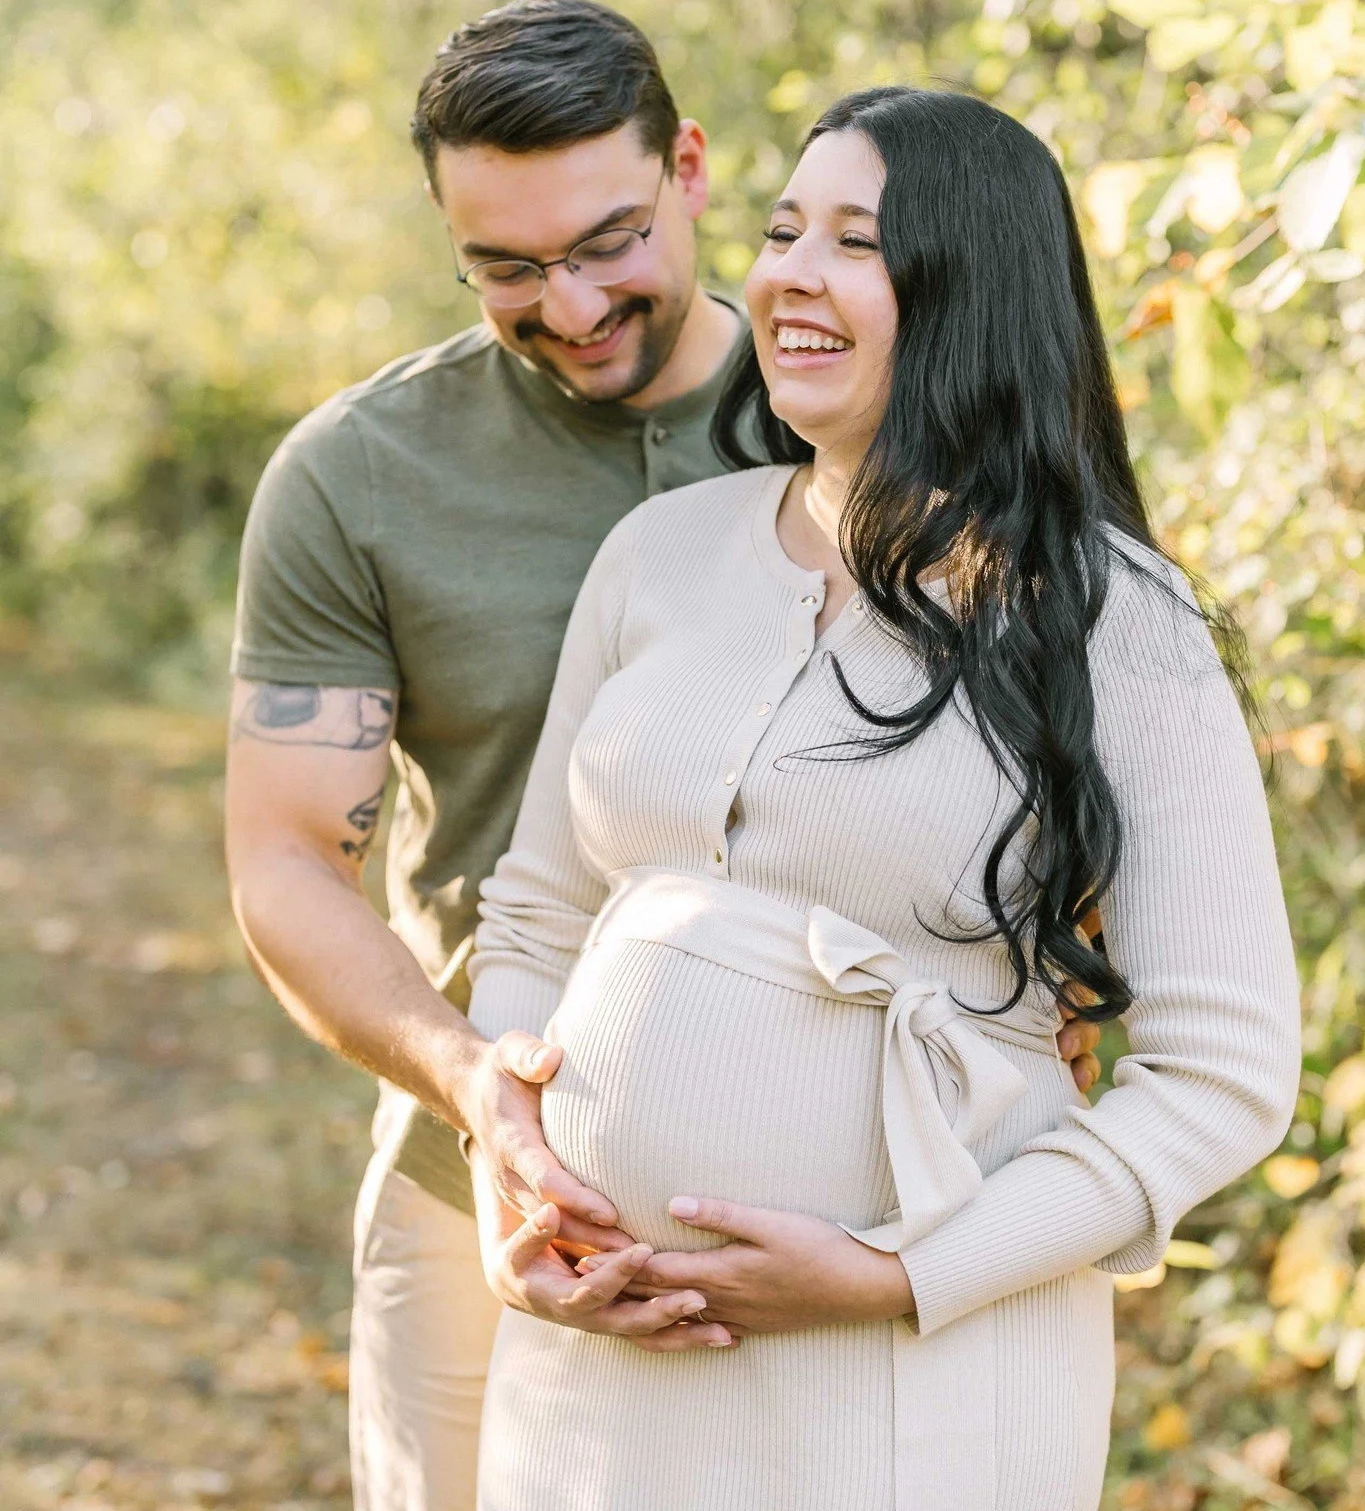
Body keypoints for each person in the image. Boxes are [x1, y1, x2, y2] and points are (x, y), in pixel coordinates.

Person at [223, 2, 1107, 1511]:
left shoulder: (864, 405)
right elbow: (288, 860)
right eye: (507, 265)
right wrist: (473, 1085)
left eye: (608, 241)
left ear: (688, 167)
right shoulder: (355, 477)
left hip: (874, 1216)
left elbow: (1063, 724)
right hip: (475, 1194)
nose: (568, 304)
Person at [463, 87, 1303, 1510]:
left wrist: (897, 1276)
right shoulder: (658, 554)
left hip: (924, 1372)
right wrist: (514, 1166)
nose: (788, 268)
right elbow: (537, 917)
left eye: (856, 240)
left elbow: (1221, 1075)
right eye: (784, 228)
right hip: (598, 1364)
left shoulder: (1116, 625)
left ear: (970, 292)